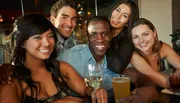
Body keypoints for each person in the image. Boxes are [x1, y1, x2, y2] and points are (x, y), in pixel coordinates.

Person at [0, 13, 107, 103]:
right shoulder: (10, 80)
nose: (47, 43)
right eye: (38, 37)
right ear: (22, 42)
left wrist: (95, 92)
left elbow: (85, 89)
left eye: (50, 36)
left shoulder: (60, 68)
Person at [130, 18, 180, 88]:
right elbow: (165, 82)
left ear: (154, 33)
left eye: (145, 34)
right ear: (132, 40)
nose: (141, 40)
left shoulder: (162, 47)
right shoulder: (133, 56)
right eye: (135, 37)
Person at [106, 0, 139, 73]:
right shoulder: (101, 27)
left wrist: (104, 42)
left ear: (128, 22)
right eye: (117, 10)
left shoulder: (127, 42)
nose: (118, 16)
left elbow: (117, 67)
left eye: (125, 15)